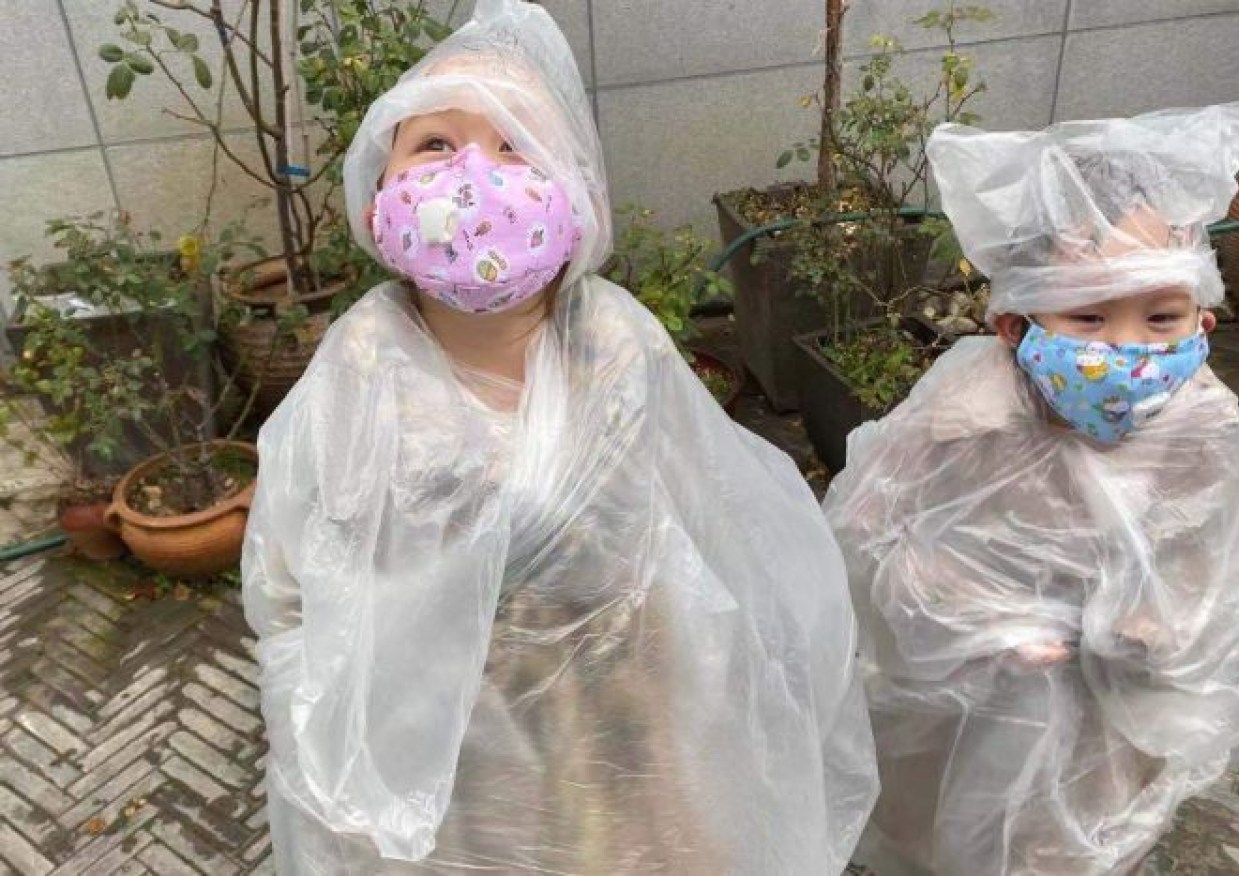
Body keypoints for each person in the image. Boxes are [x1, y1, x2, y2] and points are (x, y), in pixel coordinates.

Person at [241, 1, 878, 872]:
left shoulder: (614, 345)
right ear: (378, 189)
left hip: (620, 723)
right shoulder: (360, 365)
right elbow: (292, 579)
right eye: (434, 144)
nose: (474, 175)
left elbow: (708, 533)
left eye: (516, 147)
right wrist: (314, 718)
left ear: (572, 195)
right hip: (447, 751)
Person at [824, 103, 1239, 875]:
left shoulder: (1203, 425)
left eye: (1160, 317)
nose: (1125, 348)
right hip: (975, 696)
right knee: (961, 827)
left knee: (1077, 830)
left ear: (1203, 322)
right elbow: (872, 535)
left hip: (1109, 705)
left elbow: (1224, 553)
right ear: (1015, 325)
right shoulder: (961, 415)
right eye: (1087, 316)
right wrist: (980, 623)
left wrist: (1153, 624)